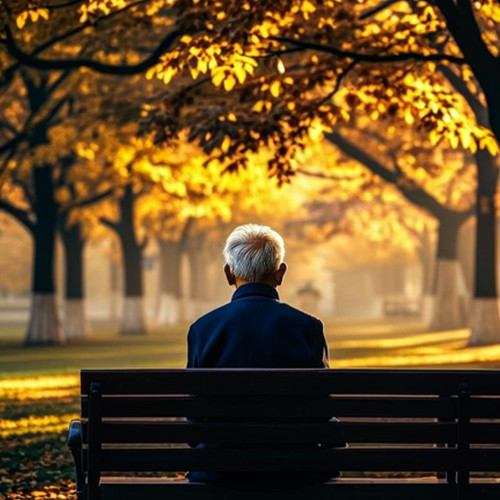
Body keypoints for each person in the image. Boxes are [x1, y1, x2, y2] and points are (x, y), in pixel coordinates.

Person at [186, 223, 339, 490]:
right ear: (280, 273)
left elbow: (194, 417)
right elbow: (322, 411)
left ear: (228, 273)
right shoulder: (308, 328)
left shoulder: (203, 329)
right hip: (295, 471)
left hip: (220, 471)